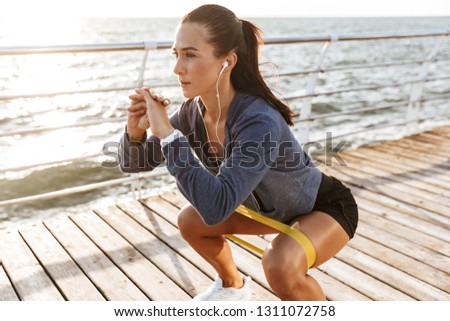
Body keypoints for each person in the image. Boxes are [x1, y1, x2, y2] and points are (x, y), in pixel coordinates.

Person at [119, 4, 358, 301]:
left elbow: (217, 206)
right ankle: (232, 288)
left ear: (226, 62)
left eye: (190, 55)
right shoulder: (191, 114)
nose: (177, 68)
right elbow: (133, 164)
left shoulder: (259, 120)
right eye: (176, 54)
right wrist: (135, 131)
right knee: (190, 221)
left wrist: (168, 135)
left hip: (322, 207)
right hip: (270, 211)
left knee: (280, 265)